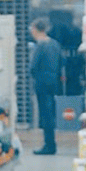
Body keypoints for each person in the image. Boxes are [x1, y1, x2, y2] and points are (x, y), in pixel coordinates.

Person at [29, 18, 67, 156]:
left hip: (42, 83)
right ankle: (50, 144)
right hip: (53, 82)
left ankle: (49, 145)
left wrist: (36, 76)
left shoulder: (40, 46)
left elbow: (33, 66)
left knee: (45, 114)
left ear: (35, 30)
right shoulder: (55, 44)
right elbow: (62, 62)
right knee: (50, 113)